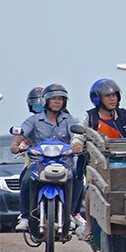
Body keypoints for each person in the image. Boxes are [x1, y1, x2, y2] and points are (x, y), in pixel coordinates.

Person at [78, 78, 126, 242]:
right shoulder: (90, 117)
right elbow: (79, 134)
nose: (112, 98)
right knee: (91, 190)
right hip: (99, 165)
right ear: (97, 98)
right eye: (107, 95)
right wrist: (76, 144)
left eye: (114, 95)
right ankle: (88, 226)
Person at [11, 84, 84, 232]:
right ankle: (25, 216)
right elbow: (22, 132)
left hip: (65, 163)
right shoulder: (35, 119)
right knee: (25, 178)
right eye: (54, 99)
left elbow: (76, 134)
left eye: (60, 99)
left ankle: (72, 213)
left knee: (78, 176)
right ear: (46, 101)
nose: (57, 101)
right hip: (38, 164)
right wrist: (15, 144)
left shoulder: (69, 119)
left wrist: (77, 145)